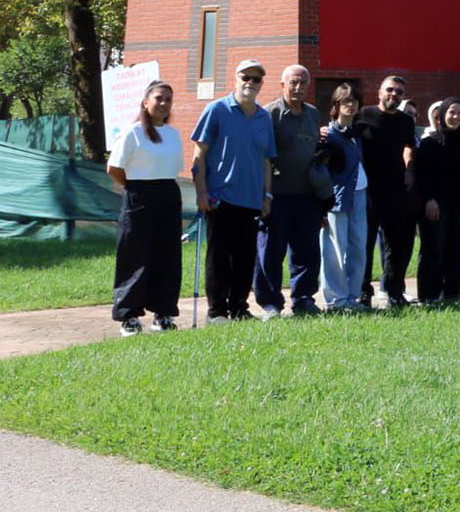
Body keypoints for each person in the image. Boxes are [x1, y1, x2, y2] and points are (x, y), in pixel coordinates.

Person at [190, 60, 276, 321]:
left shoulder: (264, 117)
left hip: (251, 199)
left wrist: (267, 195)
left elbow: (266, 161)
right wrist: (201, 193)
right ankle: (217, 311)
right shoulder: (216, 109)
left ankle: (239, 307)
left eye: (256, 79)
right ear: (235, 79)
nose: (250, 83)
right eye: (245, 77)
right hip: (220, 198)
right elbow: (199, 155)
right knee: (219, 258)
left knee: (244, 258)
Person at [109, 81, 184, 335]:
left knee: (168, 256)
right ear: (145, 102)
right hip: (139, 196)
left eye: (168, 100)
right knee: (134, 255)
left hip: (168, 195)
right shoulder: (133, 133)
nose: (164, 104)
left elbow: (173, 168)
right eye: (159, 98)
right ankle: (129, 315)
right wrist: (134, 190)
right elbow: (114, 169)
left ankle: (163, 313)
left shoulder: (173, 134)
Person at [255, 64, 323, 318]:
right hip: (277, 197)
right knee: (270, 252)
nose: (298, 87)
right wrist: (265, 195)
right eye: (293, 83)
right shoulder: (270, 114)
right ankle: (271, 303)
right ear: (282, 85)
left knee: (307, 252)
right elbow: (262, 156)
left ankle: (304, 298)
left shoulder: (313, 114)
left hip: (306, 196)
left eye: (303, 83)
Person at [355, 75, 417, 307]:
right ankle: (363, 292)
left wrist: (409, 169)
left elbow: (410, 145)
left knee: (396, 244)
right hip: (368, 189)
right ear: (380, 92)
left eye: (399, 92)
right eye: (390, 90)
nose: (394, 94)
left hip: (395, 188)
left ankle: (394, 291)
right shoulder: (363, 115)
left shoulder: (405, 121)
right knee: (365, 243)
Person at [411, 99, 460, 304]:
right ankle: (429, 295)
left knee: (457, 251)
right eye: (451, 112)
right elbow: (422, 175)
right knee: (433, 250)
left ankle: (452, 293)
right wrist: (429, 200)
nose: (455, 117)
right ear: (441, 115)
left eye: (459, 113)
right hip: (435, 206)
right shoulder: (430, 143)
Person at [319, 82, 371, 311]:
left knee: (358, 248)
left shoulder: (357, 134)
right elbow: (319, 170)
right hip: (336, 198)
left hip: (359, 193)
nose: (350, 105)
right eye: (345, 101)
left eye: (354, 101)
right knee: (334, 250)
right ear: (336, 105)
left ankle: (352, 296)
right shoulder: (327, 134)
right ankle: (335, 299)